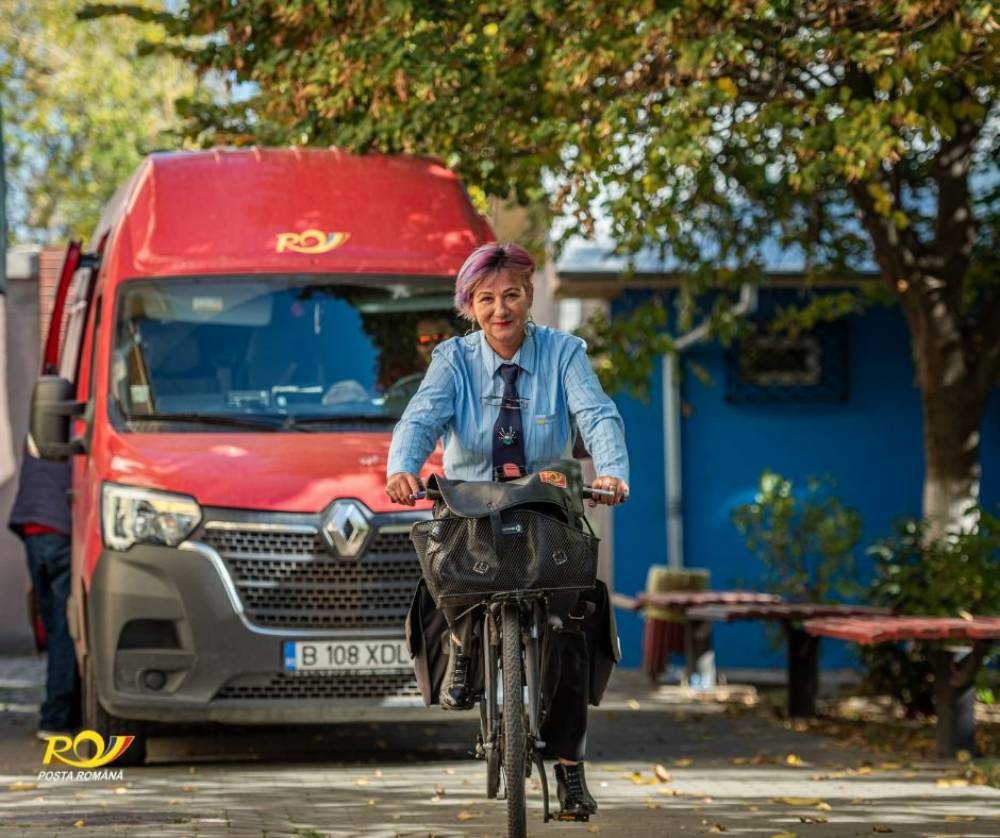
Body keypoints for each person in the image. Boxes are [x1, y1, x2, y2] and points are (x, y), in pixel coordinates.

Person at [385, 241, 629, 819]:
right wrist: (402, 467)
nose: (501, 309)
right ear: (469, 305)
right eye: (487, 299)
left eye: (512, 295)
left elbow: (595, 413)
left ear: (530, 296)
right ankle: (464, 646)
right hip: (471, 505)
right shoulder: (451, 359)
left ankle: (569, 770)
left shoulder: (565, 352)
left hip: (546, 501)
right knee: (445, 561)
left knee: (572, 623)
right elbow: (421, 417)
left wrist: (613, 470)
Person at [8, 453, 81, 739]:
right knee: (66, 627)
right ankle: (58, 718)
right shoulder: (83, 424)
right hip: (61, 529)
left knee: (55, 625)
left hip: (33, 527)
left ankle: (61, 711)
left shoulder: (46, 425)